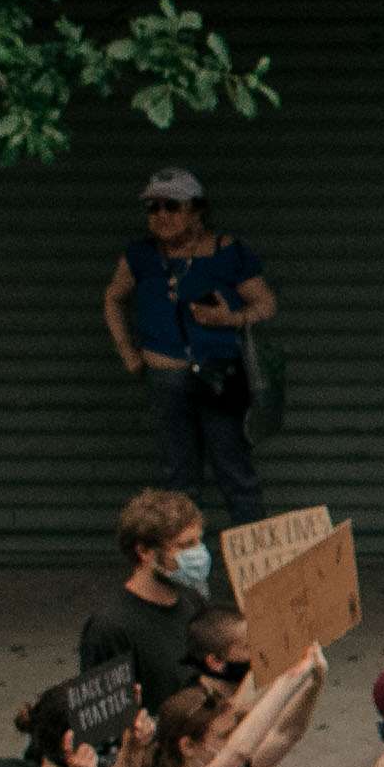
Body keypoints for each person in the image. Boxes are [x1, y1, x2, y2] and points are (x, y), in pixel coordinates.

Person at [99, 162, 272, 508]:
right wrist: (128, 353)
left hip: (219, 375)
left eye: (172, 206)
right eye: (153, 207)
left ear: (197, 210)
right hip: (165, 376)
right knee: (175, 475)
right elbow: (113, 298)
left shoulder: (227, 251)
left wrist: (231, 319)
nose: (161, 215)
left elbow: (265, 304)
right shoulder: (141, 256)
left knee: (234, 468)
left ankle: (253, 561)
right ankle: (183, 560)